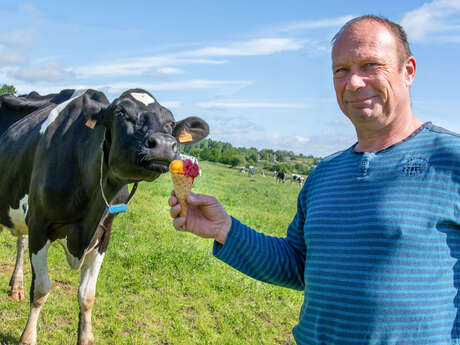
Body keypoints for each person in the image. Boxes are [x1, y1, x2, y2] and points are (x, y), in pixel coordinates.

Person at [169, 15, 460, 345]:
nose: (353, 82)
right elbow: (297, 265)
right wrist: (225, 229)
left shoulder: (451, 160)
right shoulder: (324, 175)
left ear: (408, 71)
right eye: (341, 70)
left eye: (370, 65)